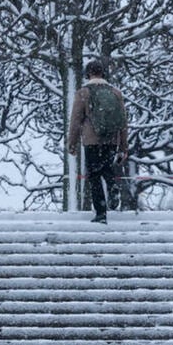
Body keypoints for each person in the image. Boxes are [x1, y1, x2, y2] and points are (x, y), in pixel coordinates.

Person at [66, 60, 129, 224]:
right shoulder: (115, 93)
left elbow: (75, 120)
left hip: (91, 141)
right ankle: (112, 185)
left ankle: (101, 214)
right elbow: (122, 122)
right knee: (107, 169)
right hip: (111, 140)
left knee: (94, 176)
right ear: (103, 73)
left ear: (88, 74)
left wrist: (72, 143)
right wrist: (123, 146)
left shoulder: (83, 93)